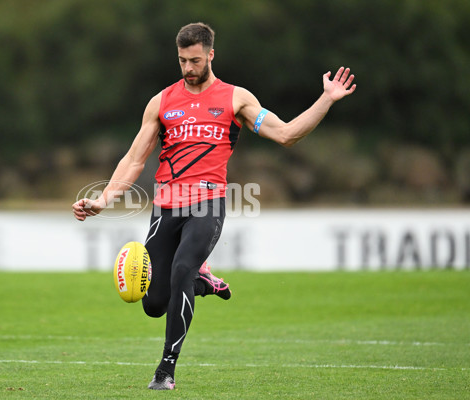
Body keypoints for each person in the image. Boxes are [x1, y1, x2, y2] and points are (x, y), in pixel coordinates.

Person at [73, 22, 356, 390]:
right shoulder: (161, 102)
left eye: (194, 60)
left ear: (210, 54)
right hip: (165, 207)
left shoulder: (235, 99)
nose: (188, 68)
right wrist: (104, 199)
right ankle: (202, 281)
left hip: (208, 205)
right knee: (153, 302)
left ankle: (165, 370)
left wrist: (326, 99)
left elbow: (286, 134)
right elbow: (134, 159)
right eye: (181, 61)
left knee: (180, 270)